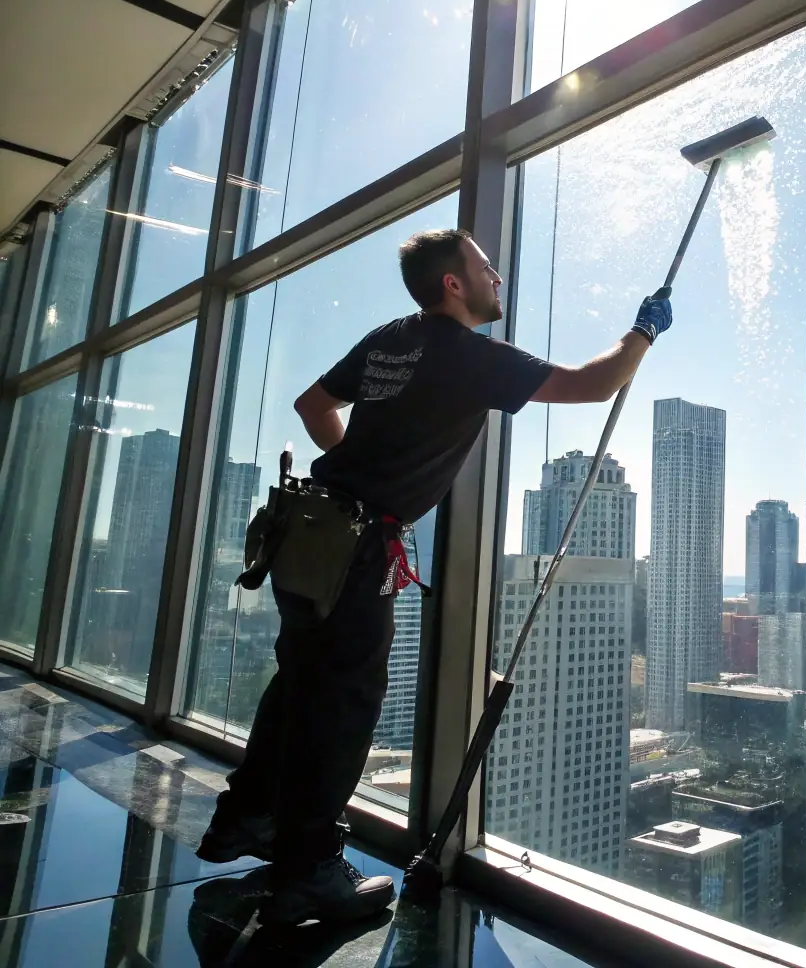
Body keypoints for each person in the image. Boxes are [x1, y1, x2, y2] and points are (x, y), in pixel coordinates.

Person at [196, 228, 672, 926]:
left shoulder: (391, 336)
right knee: (343, 706)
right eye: (486, 268)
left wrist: (357, 475)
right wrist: (643, 330)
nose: (498, 278)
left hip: (306, 534)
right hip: (352, 549)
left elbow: (312, 407)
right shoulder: (465, 354)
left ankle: (244, 820)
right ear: (454, 283)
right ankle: (308, 871)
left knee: (298, 684)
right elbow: (595, 384)